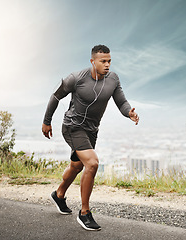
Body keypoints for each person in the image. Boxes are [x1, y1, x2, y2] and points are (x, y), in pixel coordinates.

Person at [42, 45, 139, 231]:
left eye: (109, 61)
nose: (107, 64)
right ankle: (84, 213)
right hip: (73, 126)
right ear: (92, 61)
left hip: (91, 130)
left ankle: (59, 194)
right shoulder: (76, 78)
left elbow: (121, 102)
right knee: (92, 163)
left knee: (77, 166)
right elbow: (55, 97)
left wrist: (129, 113)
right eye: (103, 61)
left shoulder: (113, 79)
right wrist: (46, 122)